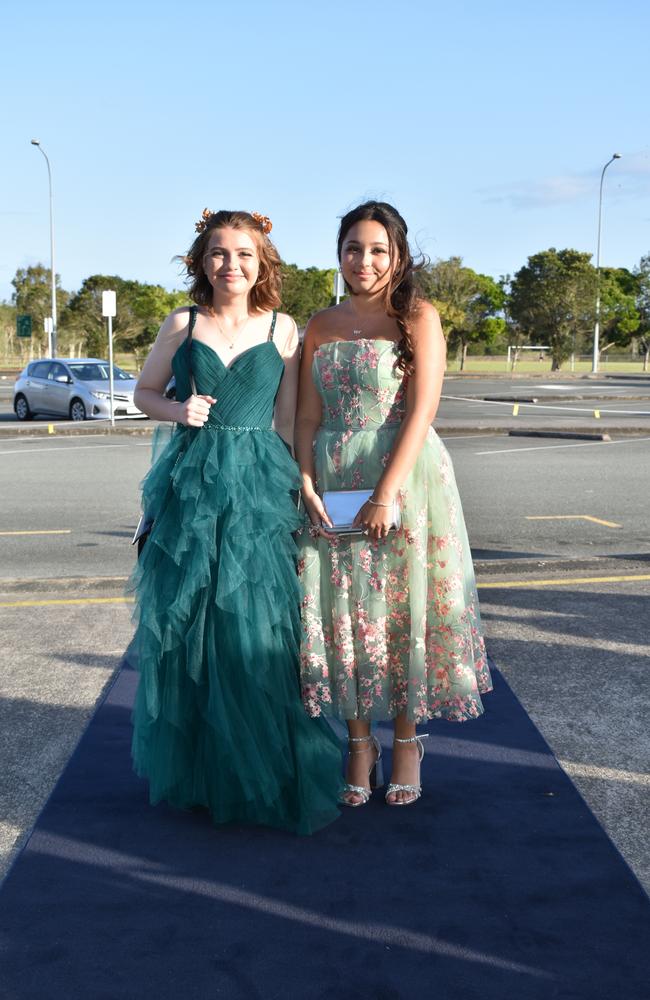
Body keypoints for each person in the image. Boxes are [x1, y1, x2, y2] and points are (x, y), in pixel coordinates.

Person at [128, 209, 341, 834]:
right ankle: (203, 769)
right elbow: (143, 394)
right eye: (220, 253)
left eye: (245, 255)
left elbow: (286, 418)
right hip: (194, 484)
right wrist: (177, 407)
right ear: (202, 260)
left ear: (262, 263)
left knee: (259, 621)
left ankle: (266, 764)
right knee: (193, 622)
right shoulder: (182, 322)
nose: (232, 266)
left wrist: (301, 485)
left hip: (258, 483)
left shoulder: (281, 329)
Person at [295, 201, 492, 807]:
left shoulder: (418, 317)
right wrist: (305, 481)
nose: (365, 260)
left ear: (398, 256)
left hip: (404, 478)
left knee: (398, 603)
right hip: (333, 474)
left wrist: (387, 492)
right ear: (340, 254)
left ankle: (407, 738)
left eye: (378, 249)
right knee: (344, 606)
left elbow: (423, 409)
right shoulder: (320, 324)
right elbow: (307, 414)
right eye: (354, 248)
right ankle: (359, 743)